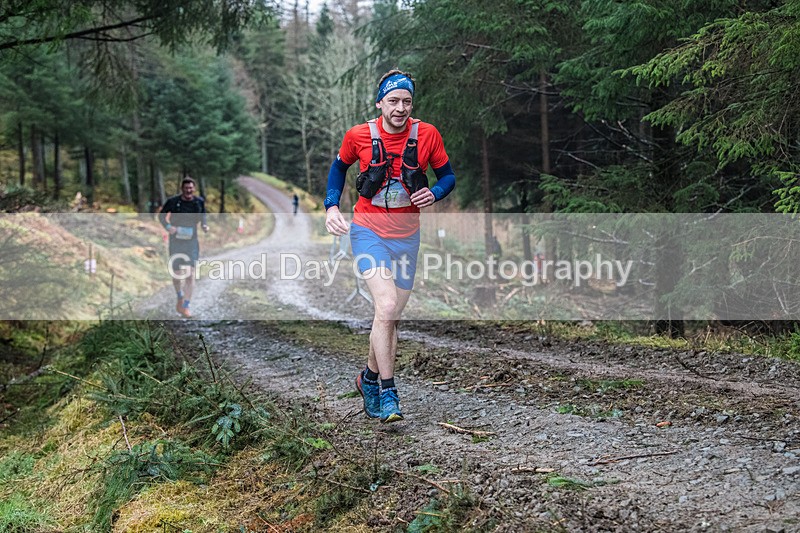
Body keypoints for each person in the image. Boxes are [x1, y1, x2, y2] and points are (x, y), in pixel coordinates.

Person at [324, 69, 456, 423]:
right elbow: (338, 169)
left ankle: (366, 378)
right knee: (385, 305)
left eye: (407, 101)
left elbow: (448, 176)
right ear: (380, 102)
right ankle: (388, 392)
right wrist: (331, 206)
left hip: (407, 235)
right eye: (394, 101)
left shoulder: (427, 134)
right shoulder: (359, 135)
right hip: (368, 231)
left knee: (391, 315)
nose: (400, 108)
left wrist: (437, 191)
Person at [158, 177, 208, 318]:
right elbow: (161, 216)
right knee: (177, 273)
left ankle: (186, 305)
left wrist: (204, 225)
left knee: (190, 273)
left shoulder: (199, 202)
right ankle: (179, 296)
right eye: (186, 188)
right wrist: (168, 227)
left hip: (191, 241)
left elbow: (203, 215)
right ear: (182, 189)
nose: (188, 190)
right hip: (176, 241)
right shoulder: (173, 202)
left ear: (194, 188)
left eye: (191, 188)